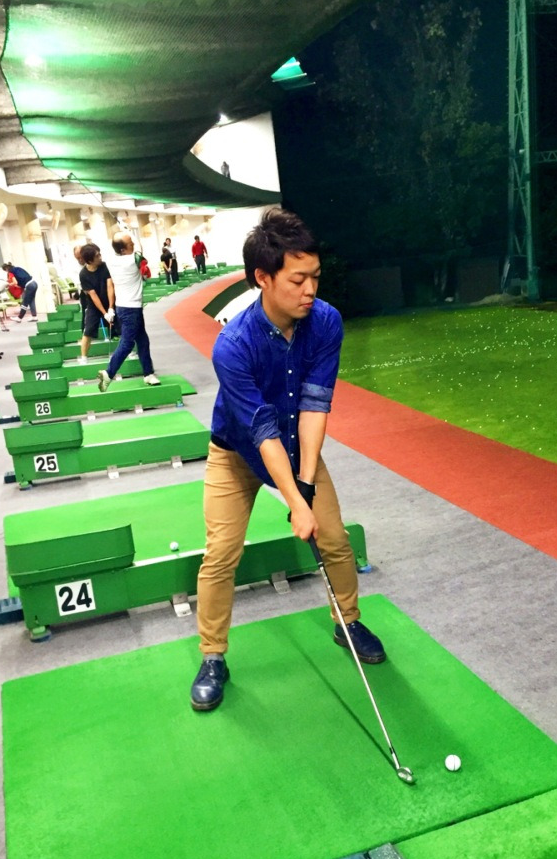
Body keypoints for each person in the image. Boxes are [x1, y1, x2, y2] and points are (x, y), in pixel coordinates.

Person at [190, 207, 385, 712]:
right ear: (263, 277)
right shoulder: (233, 345)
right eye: (298, 280)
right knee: (221, 554)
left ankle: (348, 622)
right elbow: (261, 431)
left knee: (335, 538)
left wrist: (307, 483)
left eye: (315, 277)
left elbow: (316, 404)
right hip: (236, 453)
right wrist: (296, 503)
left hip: (300, 446)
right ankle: (213, 656)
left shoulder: (326, 322)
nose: (310, 290)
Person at [97, 233, 160, 391]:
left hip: (124, 307)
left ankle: (148, 373)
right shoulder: (132, 260)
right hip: (131, 309)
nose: (133, 244)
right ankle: (109, 373)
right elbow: (141, 253)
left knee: (143, 340)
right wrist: (132, 231)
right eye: (130, 243)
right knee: (127, 343)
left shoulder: (112, 260)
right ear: (123, 250)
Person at [77, 243, 115, 363]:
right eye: (97, 256)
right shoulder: (83, 274)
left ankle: (131, 351)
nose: (100, 257)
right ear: (90, 260)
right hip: (94, 305)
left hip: (109, 300)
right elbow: (93, 295)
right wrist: (104, 313)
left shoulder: (104, 266)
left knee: (121, 326)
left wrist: (111, 308)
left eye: (99, 254)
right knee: (88, 330)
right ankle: (84, 358)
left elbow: (110, 286)